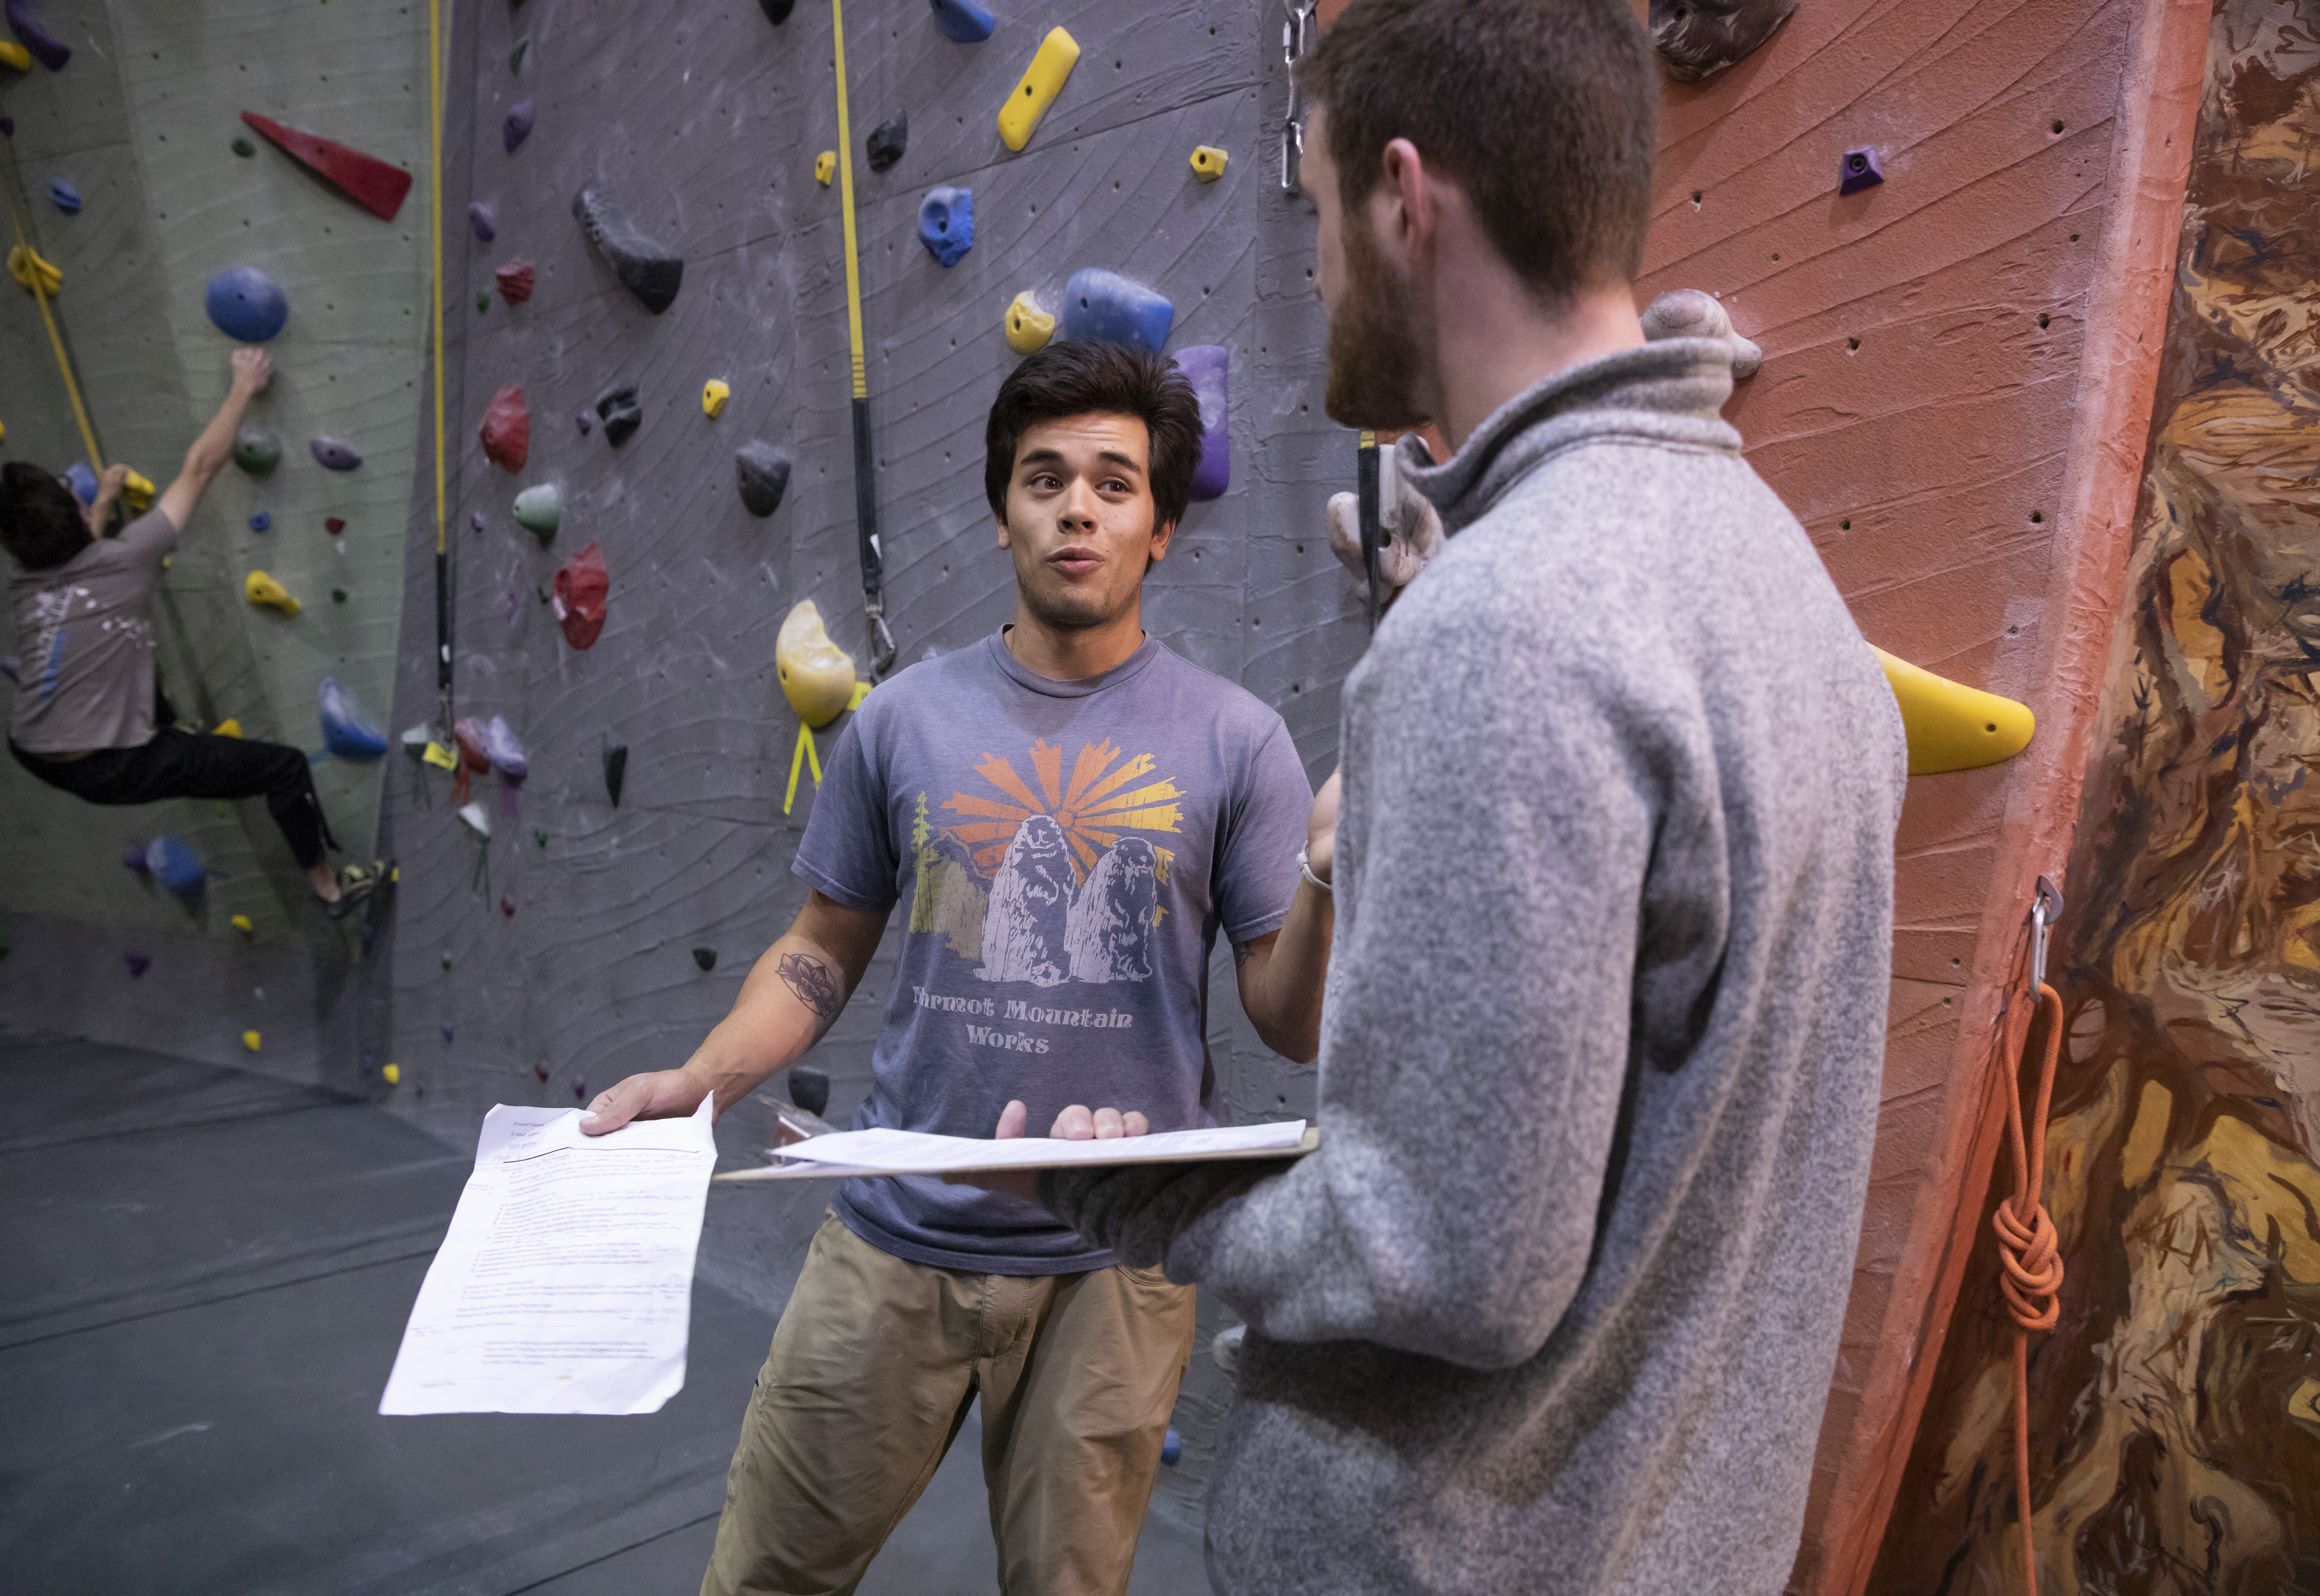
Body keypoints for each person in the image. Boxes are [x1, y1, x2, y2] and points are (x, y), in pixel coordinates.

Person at [968, 3, 1911, 1593]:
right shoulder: (1780, 578)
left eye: (1324, 218)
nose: (1323, 268)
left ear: (1408, 199)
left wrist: (1126, 1188)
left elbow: (1445, 1255)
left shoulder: (1505, 622)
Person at [581, 340, 1338, 1596]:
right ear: (1003, 518)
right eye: (1045, 480)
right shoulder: (901, 721)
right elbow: (819, 950)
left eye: (1114, 481)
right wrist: (704, 1078)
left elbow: (1289, 1021)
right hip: (896, 1234)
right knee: (761, 1579)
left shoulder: (1236, 739)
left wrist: (1321, 877)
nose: (1078, 507)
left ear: (1159, 528)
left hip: (1116, 1271)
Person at [0, 348, 388, 914]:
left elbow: (78, 568)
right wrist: (242, 386)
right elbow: (202, 466)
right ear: (76, 519)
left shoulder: (25, 581)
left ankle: (164, 723)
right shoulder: (129, 559)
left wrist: (104, 501)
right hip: (109, 765)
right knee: (284, 768)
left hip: (32, 744)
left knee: (125, 645)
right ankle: (329, 888)